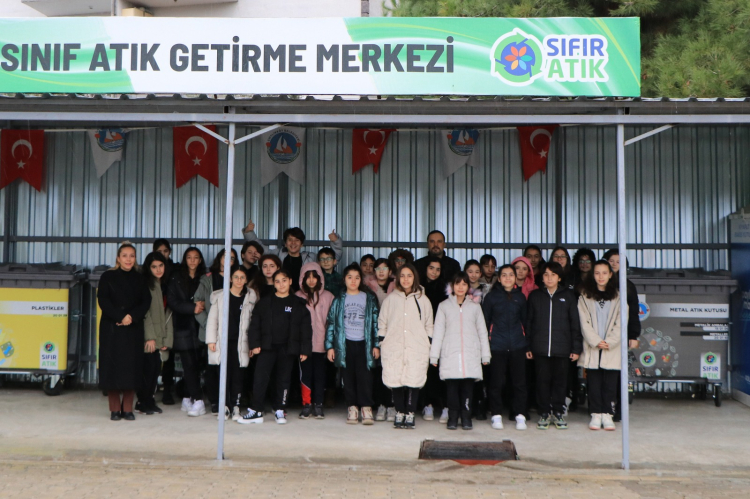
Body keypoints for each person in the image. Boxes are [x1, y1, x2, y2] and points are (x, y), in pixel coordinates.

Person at [239, 269, 313, 425]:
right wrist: (255, 344)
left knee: (283, 379)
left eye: (284, 280)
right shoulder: (265, 302)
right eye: (277, 281)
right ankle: (256, 410)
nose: (281, 284)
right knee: (260, 378)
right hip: (267, 348)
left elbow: (306, 329)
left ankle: (280, 410)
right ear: (273, 283)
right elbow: (255, 325)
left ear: (290, 281)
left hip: (287, 349)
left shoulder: (298, 304)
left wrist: (305, 350)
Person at [98, 242, 152, 421]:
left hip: (133, 329)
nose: (128, 259)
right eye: (125, 255)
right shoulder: (107, 276)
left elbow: (146, 301)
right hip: (112, 328)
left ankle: (127, 408)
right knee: (112, 368)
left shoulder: (140, 278)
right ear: (118, 258)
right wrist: (120, 316)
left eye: (132, 256)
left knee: (132, 368)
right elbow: (103, 300)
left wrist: (132, 317)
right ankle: (114, 409)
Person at [525, 262, 582, 431]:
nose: (549, 278)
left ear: (559, 278)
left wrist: (576, 348)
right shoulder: (535, 296)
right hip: (540, 348)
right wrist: (528, 346)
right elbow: (529, 323)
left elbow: (575, 323)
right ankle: (544, 413)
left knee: (560, 382)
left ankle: (558, 412)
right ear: (542, 277)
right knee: (542, 382)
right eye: (546, 275)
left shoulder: (569, 296)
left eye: (553, 275)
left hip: (562, 349)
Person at [431, 272, 491, 430]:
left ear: (468, 287)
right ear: (452, 286)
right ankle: (452, 417)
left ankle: (466, 417)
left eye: (464, 284)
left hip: (470, 355)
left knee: (467, 390)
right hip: (450, 355)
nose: (460, 287)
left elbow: (482, 332)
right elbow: (438, 332)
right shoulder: (444, 306)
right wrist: (434, 356)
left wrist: (485, 355)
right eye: (457, 284)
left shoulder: (475, 307)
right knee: (451, 390)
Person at [378, 264, 434, 429]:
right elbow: (382, 322)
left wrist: (427, 341)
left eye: (409, 275)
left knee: (413, 379)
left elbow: (429, 324)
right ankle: (399, 411)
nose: (406, 279)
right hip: (394, 344)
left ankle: (410, 412)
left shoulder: (423, 300)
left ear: (414, 277)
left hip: (416, 345)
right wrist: (383, 341)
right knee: (395, 378)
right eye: (402, 276)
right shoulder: (390, 299)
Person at [325, 264, 381, 425]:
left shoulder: (368, 298)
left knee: (365, 377)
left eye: (357, 277)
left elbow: (375, 323)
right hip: (345, 344)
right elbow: (331, 324)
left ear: (361, 280)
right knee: (347, 377)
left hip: (364, 344)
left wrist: (376, 344)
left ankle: (366, 407)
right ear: (344, 279)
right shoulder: (339, 300)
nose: (353, 281)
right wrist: (330, 347)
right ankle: (352, 407)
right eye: (350, 277)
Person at [206, 266, 257, 421]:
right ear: (230, 278)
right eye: (236, 277)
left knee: (238, 376)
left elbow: (253, 324)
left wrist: (252, 344)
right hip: (223, 343)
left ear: (246, 280)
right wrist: (211, 340)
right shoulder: (220, 297)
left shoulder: (250, 299)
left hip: (241, 343)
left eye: (242, 277)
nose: (239, 280)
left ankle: (236, 406)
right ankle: (224, 406)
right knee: (223, 375)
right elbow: (212, 320)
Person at [482, 265, 529, 431]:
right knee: (496, 382)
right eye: (504, 275)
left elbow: (526, 322)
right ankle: (496, 414)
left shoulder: (520, 297)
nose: (508, 278)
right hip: (497, 345)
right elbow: (485, 322)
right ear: (499, 278)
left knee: (519, 382)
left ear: (515, 278)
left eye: (511, 275)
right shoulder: (491, 297)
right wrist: (486, 344)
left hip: (517, 345)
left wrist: (527, 344)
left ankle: (520, 415)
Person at [577, 260, 622, 431]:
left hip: (612, 347)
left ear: (610, 274)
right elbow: (584, 322)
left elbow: (621, 322)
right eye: (597, 273)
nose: (601, 276)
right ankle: (596, 413)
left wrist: (610, 341)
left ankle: (608, 414)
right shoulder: (585, 297)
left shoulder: (619, 297)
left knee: (610, 382)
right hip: (593, 346)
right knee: (594, 382)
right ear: (592, 275)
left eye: (604, 273)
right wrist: (596, 340)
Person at [242, 219, 343, 290]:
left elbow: (334, 257)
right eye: (290, 240)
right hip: (280, 294)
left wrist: (335, 241)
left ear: (302, 244)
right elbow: (260, 248)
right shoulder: (277, 254)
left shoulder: (311, 258)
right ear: (285, 243)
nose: (293, 243)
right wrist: (249, 232)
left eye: (297, 240)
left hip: (304, 297)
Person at [196, 248, 239, 414]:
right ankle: (215, 401)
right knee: (213, 368)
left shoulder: (238, 278)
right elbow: (198, 305)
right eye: (225, 256)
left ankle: (231, 402)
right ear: (219, 258)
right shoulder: (208, 278)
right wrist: (209, 326)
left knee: (232, 369)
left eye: (232, 258)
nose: (228, 260)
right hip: (212, 331)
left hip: (232, 332)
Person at [167, 247, 208, 418]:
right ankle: (198, 400)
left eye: (195, 257)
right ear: (185, 259)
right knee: (188, 364)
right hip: (182, 325)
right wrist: (192, 308)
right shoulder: (176, 277)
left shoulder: (205, 278)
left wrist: (202, 305)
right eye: (189, 257)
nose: (192, 260)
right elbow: (172, 301)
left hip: (201, 326)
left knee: (198, 364)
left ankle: (186, 397)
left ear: (200, 260)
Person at [603, 248, 641, 422]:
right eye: (611, 261)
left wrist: (633, 335)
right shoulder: (599, 283)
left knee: (618, 373)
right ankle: (600, 408)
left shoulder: (628, 286)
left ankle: (617, 409)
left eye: (618, 262)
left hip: (621, 335)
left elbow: (633, 312)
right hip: (602, 335)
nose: (614, 264)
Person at [295, 262, 335, 420]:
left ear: (320, 278)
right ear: (302, 279)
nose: (311, 280)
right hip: (304, 346)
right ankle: (306, 405)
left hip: (322, 345)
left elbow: (332, 322)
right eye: (308, 277)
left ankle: (318, 404)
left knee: (320, 375)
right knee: (305, 375)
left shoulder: (328, 296)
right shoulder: (297, 297)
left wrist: (330, 344)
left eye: (314, 276)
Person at [136, 251, 173, 416]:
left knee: (155, 369)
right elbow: (145, 313)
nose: (158, 269)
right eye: (154, 267)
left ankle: (149, 401)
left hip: (160, 335)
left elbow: (167, 314)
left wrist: (166, 339)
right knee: (148, 370)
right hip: (149, 336)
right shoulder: (146, 285)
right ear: (148, 268)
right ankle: (142, 402)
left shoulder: (163, 285)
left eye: (161, 265)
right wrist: (150, 337)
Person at [362, 257, 395, 421]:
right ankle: (379, 404)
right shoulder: (366, 287)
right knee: (375, 370)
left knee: (391, 369)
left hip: (393, 334)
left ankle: (391, 405)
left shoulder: (397, 287)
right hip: (372, 333)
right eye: (378, 269)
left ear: (390, 271)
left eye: (384, 269)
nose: (381, 272)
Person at [420, 256, 448, 423]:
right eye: (431, 268)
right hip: (422, 334)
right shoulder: (418, 288)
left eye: (438, 269)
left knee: (440, 370)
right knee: (426, 370)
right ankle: (427, 404)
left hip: (441, 334)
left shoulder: (446, 289)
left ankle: (444, 406)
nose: (434, 272)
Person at [153, 238, 177, 405]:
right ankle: (149, 390)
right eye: (159, 251)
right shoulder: (149, 269)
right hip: (153, 315)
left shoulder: (175, 270)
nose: (163, 254)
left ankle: (167, 390)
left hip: (169, 314)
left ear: (170, 252)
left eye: (165, 251)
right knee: (151, 355)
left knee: (169, 355)